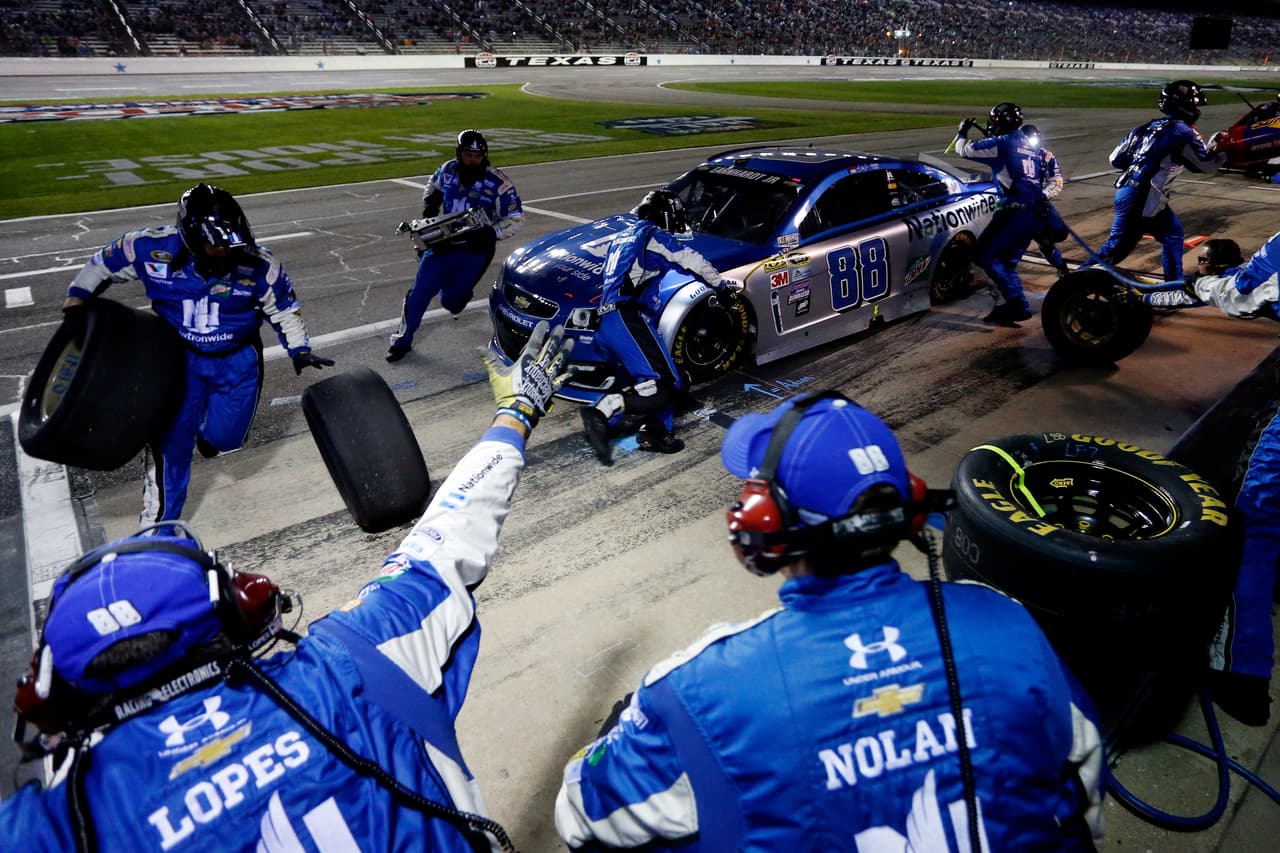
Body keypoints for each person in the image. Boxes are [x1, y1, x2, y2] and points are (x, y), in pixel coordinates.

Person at [0, 321, 574, 850]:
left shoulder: (53, 827)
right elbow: (447, 535)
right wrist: (518, 409)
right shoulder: (345, 662)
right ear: (239, 606)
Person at [556, 391, 1105, 849]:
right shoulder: (1005, 621)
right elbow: (1083, 786)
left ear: (764, 523)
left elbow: (583, 816)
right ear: (908, 506)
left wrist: (626, 726)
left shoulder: (696, 689)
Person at [63, 183, 333, 527]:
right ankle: (157, 527)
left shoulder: (262, 265)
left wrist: (300, 348)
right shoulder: (148, 247)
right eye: (215, 246)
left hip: (237, 361)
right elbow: (103, 263)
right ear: (191, 236)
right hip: (177, 360)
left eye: (232, 245)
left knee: (226, 440)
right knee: (170, 445)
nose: (226, 254)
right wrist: (77, 298)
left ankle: (206, 432)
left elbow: (284, 308)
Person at [579, 189, 731, 464]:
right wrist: (721, 287)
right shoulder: (653, 235)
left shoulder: (622, 237)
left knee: (667, 380)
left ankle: (654, 431)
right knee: (662, 386)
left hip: (608, 320)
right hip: (625, 317)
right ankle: (602, 411)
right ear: (664, 217)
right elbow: (691, 259)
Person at [388, 129, 524, 362]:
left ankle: (456, 294)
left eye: (477, 155)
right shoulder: (447, 169)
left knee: (451, 303)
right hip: (443, 244)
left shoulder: (499, 183)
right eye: (467, 155)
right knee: (420, 292)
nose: (472, 160)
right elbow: (433, 184)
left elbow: (516, 218)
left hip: (475, 252)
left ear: (484, 155)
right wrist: (431, 202)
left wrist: (492, 233)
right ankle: (402, 340)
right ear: (459, 153)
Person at [1090, 80, 1225, 282]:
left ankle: (1172, 286)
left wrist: (1145, 161)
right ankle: (1072, 283)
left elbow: (1115, 159)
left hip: (1138, 193)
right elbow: (1204, 166)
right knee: (1115, 249)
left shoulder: (1145, 127)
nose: (1196, 109)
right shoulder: (1183, 132)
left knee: (1173, 234)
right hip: (1142, 198)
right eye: (1194, 104)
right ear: (1184, 105)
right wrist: (1225, 153)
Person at [952, 102, 1052, 324]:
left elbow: (964, 150)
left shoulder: (1002, 143)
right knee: (1006, 261)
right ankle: (1011, 307)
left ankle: (1013, 302)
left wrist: (962, 132)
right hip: (1034, 214)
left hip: (1014, 212)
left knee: (982, 254)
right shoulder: (1029, 146)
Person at [1023, 124, 1071, 277]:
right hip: (1018, 206)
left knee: (1061, 233)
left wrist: (1044, 195)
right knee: (1044, 241)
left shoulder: (1046, 156)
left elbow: (1056, 179)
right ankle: (1061, 267)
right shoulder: (1011, 156)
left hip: (1039, 201)